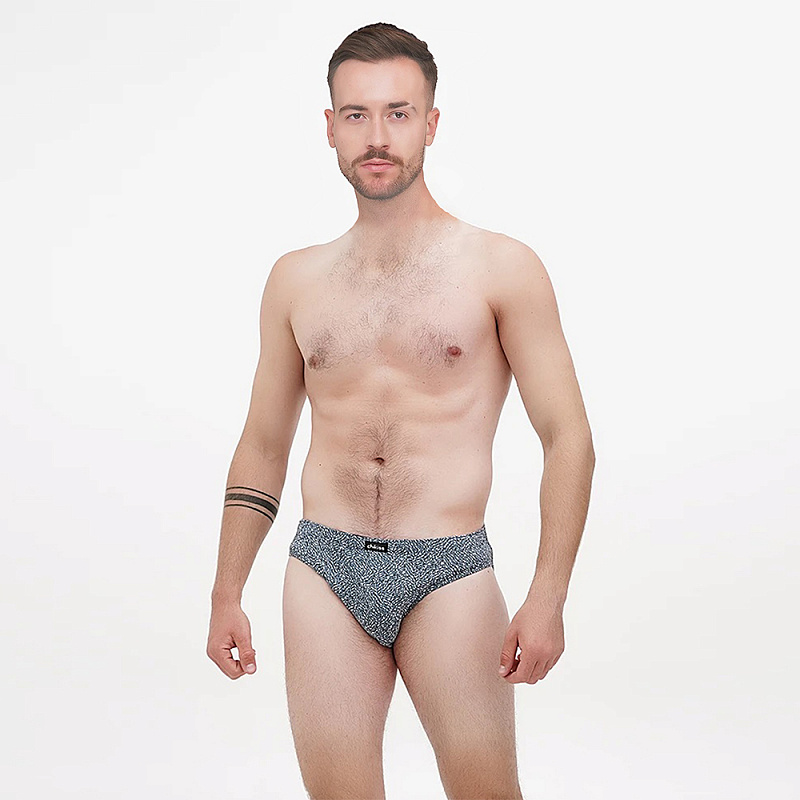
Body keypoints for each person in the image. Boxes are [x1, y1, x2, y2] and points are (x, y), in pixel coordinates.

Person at [206, 21, 595, 800]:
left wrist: (548, 595)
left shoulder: (502, 267)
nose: (377, 136)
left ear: (431, 123)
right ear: (329, 127)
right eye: (357, 114)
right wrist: (226, 591)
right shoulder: (295, 280)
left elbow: (568, 438)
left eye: (398, 112)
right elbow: (264, 442)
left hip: (448, 568)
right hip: (324, 568)